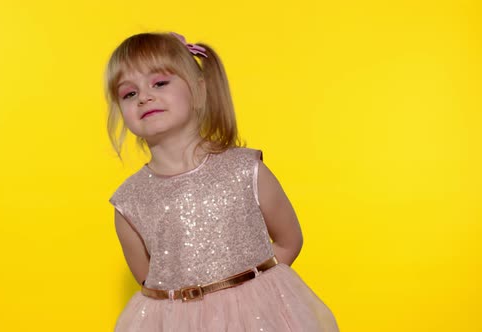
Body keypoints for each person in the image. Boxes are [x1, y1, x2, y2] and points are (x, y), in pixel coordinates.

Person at [105, 31, 339, 331]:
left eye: (159, 83)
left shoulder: (244, 170)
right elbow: (150, 284)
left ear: (199, 91)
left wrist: (251, 297)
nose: (145, 97)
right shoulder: (129, 201)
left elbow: (289, 240)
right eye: (129, 93)